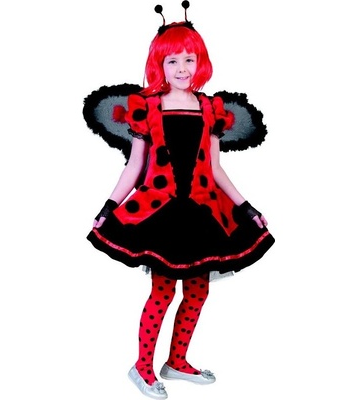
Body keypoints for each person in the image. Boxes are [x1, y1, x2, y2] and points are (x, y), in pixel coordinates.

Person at [86, 2, 275, 399]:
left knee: (198, 289)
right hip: (160, 211)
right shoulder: (147, 107)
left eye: (190, 59)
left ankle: (176, 361)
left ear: (200, 61)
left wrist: (246, 206)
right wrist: (109, 206)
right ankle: (142, 367)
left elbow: (216, 168)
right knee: (163, 291)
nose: (182, 68)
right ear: (160, 65)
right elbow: (134, 166)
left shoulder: (210, 108)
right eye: (173, 60)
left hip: (203, 210)